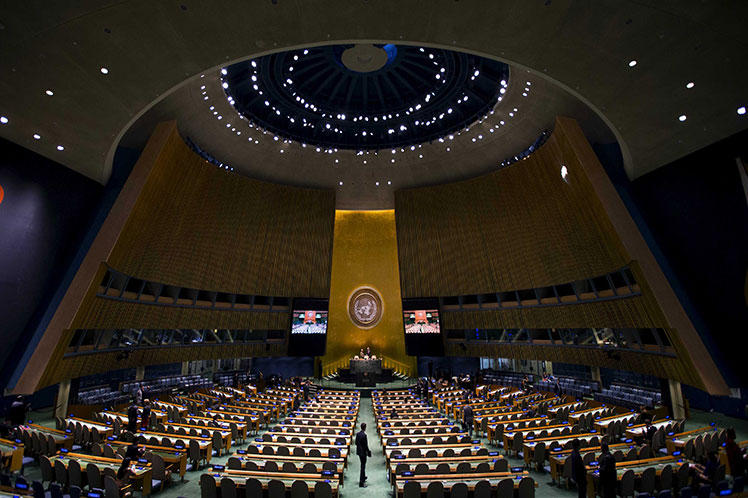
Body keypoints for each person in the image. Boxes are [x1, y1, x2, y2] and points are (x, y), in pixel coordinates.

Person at [355, 422, 371, 487]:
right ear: (364, 428)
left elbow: (356, 443)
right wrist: (368, 451)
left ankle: (363, 477)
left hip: (359, 452)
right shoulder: (364, 435)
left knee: (362, 464)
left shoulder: (358, 434)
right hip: (363, 453)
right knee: (363, 466)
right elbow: (365, 445)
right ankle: (361, 483)